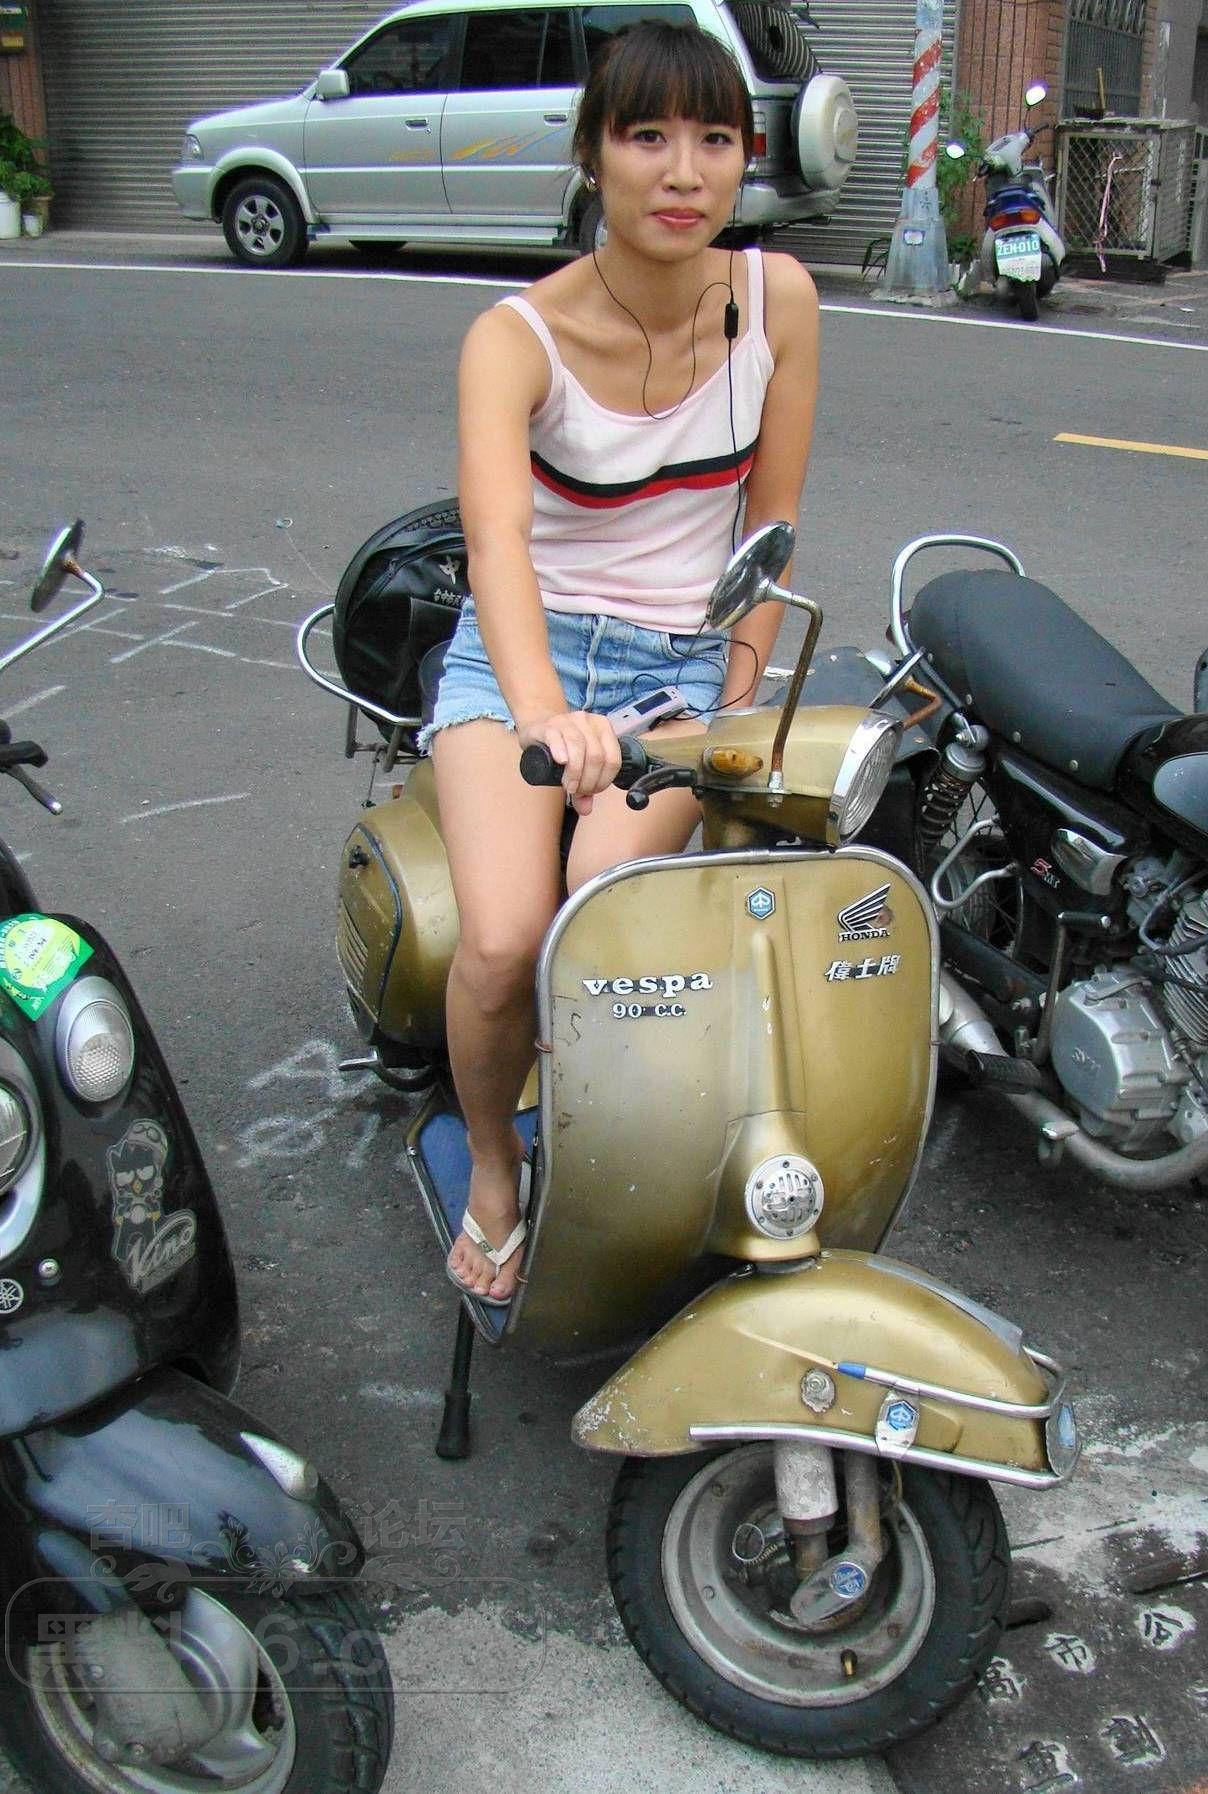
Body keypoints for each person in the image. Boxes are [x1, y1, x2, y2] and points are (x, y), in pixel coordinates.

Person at [425, 19, 819, 1304]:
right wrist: (547, 716)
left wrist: (737, 701)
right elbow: (497, 546)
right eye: (647, 135)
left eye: (715, 137)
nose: (683, 170)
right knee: (501, 941)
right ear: (593, 154)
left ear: (747, 156)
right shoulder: (514, 337)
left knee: (604, 916)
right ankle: (494, 1166)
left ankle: (619, 1136)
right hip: (521, 660)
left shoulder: (777, 301)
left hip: (681, 667)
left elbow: (770, 527)